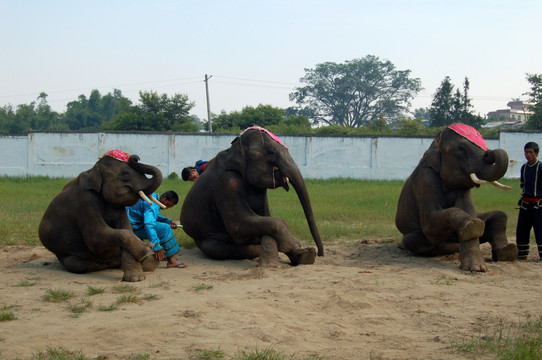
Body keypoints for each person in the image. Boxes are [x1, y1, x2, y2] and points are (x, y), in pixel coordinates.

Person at [126, 190, 187, 268]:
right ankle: (172, 260)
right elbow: (148, 224)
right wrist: (156, 246)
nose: (166, 208)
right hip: (135, 228)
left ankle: (165, 254)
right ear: (163, 197)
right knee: (165, 229)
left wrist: (167, 220)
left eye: (169, 207)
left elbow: (154, 216)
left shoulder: (153, 197)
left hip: (131, 224)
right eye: (167, 204)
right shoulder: (152, 204)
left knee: (164, 226)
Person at [516, 141, 542, 260]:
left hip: (539, 205)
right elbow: (524, 186)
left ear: (536, 153)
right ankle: (522, 253)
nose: (528, 155)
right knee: (522, 229)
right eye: (526, 152)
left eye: (531, 152)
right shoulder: (524, 168)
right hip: (525, 204)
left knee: (540, 230)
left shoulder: (540, 167)